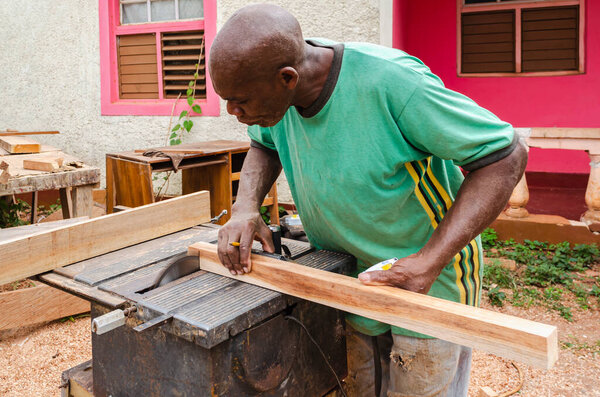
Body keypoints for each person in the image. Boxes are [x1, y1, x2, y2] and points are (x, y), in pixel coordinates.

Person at [209, 4, 527, 397]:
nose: (232, 112)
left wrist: (428, 261)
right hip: (352, 280)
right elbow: (264, 146)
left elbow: (505, 155)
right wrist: (245, 207)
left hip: (425, 283)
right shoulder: (278, 98)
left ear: (287, 78)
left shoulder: (392, 82)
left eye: (240, 101)